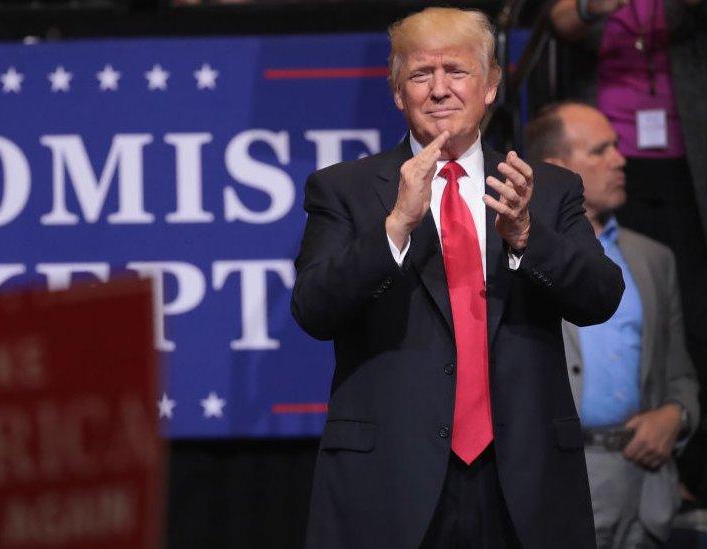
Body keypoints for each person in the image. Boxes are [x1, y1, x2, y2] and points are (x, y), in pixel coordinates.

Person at [291, 7, 624, 549]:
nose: (439, 89)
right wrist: (394, 226)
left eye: (457, 71)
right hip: (393, 483)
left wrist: (525, 234)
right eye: (421, 75)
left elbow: (600, 297)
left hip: (524, 481)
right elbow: (313, 309)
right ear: (399, 92)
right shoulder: (345, 190)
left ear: (491, 85)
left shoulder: (545, 189)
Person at [550, 0, 707, 506]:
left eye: (606, 152)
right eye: (601, 152)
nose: (609, 159)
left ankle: (683, 466)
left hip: (685, 144)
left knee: (682, 310)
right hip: (618, 126)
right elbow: (559, 20)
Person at [523, 102, 700, 548]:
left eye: (617, 147)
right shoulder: (519, 254)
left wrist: (675, 416)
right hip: (561, 475)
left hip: (646, 485)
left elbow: (680, 375)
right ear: (555, 168)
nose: (620, 160)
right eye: (600, 150)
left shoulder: (653, 259)